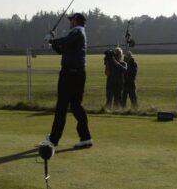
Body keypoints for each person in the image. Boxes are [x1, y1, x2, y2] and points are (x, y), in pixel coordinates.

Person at [40, 13, 92, 149]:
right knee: (75, 106)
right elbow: (61, 50)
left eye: (71, 20)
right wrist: (52, 41)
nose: (69, 22)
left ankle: (53, 140)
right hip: (76, 74)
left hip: (70, 75)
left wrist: (51, 40)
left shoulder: (77, 31)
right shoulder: (75, 34)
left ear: (76, 21)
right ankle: (85, 138)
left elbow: (66, 42)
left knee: (62, 107)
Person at [104, 47, 127, 111]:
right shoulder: (111, 63)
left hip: (119, 84)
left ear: (122, 55)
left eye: (119, 54)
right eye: (116, 54)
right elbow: (107, 73)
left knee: (117, 99)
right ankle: (107, 110)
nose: (118, 55)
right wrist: (107, 63)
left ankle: (116, 111)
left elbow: (124, 69)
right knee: (109, 98)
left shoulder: (124, 63)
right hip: (110, 83)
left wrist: (115, 62)